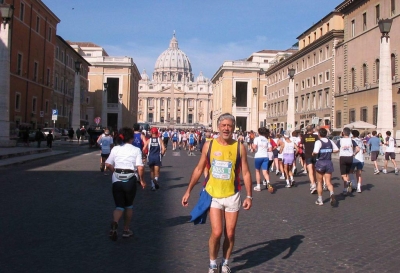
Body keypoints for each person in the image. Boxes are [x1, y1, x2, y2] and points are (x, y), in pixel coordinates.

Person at [181, 113, 252, 273]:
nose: (226, 128)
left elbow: (246, 172)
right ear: (219, 127)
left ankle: (225, 262)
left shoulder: (239, 147)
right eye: (224, 125)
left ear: (233, 128)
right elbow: (199, 169)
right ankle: (213, 263)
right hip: (213, 195)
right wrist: (188, 191)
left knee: (230, 233)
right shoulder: (209, 145)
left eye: (229, 126)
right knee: (217, 232)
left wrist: (249, 195)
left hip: (232, 194)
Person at [105, 127, 146, 241]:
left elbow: (108, 164)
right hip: (130, 179)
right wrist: (142, 180)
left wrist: (115, 172)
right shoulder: (136, 150)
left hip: (116, 179)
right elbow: (140, 167)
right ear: (132, 138)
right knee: (128, 205)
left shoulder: (115, 149)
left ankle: (115, 222)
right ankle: (126, 230)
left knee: (119, 206)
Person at [312, 128, 339, 206]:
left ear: (319, 134)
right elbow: (337, 149)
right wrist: (329, 151)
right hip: (328, 162)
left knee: (319, 182)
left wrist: (313, 154)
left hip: (320, 162)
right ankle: (332, 193)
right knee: (328, 182)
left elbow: (316, 151)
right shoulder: (330, 141)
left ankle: (320, 200)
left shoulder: (318, 142)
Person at [337, 127, 360, 195]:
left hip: (343, 158)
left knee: (343, 175)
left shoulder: (340, 140)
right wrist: (353, 153)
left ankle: (347, 183)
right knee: (347, 173)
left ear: (343, 133)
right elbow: (358, 148)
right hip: (350, 158)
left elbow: (336, 149)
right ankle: (345, 189)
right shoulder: (352, 140)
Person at [252, 127, 276, 192]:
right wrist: (265, 149)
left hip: (258, 156)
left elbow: (254, 147)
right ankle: (268, 183)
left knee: (257, 171)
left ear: (259, 132)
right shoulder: (266, 139)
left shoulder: (256, 138)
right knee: (265, 172)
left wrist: (252, 148)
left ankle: (258, 186)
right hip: (265, 156)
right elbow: (270, 149)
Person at [301, 125, 318, 194]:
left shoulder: (304, 137)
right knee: (314, 170)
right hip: (315, 155)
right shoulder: (316, 136)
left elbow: (301, 145)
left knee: (310, 171)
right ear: (312, 130)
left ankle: (313, 185)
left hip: (308, 155)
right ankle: (315, 182)